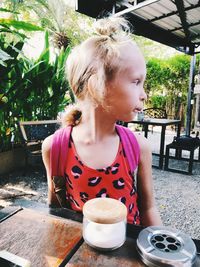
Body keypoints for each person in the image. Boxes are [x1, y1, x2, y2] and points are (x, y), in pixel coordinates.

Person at [42, 17, 162, 226]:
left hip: (128, 249)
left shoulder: (136, 146)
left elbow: (148, 208)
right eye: (136, 82)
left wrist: (161, 253)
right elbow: (56, 210)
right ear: (96, 85)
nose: (143, 94)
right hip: (81, 252)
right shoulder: (56, 147)